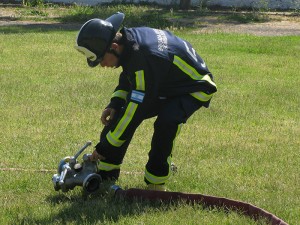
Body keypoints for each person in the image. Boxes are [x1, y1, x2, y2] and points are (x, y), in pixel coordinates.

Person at [74, 12, 217, 191]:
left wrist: (103, 147)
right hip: (164, 82)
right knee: (121, 114)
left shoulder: (142, 57)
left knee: (166, 123)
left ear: (114, 46)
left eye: (102, 59)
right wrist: (115, 103)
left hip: (192, 87)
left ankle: (156, 185)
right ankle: (106, 173)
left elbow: (135, 110)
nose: (102, 65)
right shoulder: (129, 43)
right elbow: (130, 74)